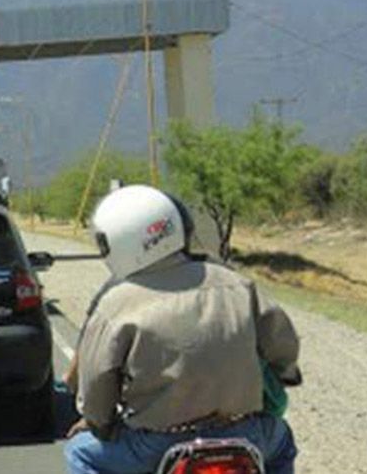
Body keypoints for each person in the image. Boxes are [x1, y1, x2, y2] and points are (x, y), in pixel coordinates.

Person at [64, 185, 302, 474]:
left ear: (115, 242)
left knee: (80, 453)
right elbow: (282, 343)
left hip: (155, 443)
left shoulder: (114, 304)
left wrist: (98, 423)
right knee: (282, 443)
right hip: (244, 431)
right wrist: (286, 372)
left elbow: (98, 382)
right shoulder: (236, 283)